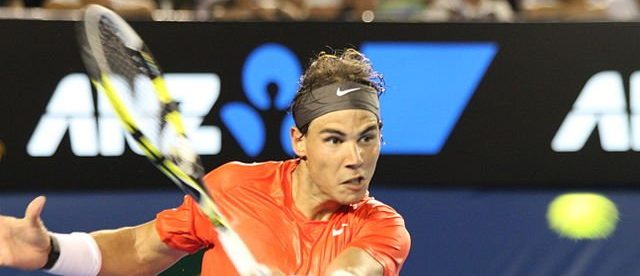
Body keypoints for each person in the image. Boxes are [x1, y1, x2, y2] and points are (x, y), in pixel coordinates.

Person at [0, 48, 411, 275]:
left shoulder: (383, 227)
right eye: (334, 140)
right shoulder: (233, 189)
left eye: (367, 138)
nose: (355, 158)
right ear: (298, 141)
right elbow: (142, 249)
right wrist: (53, 251)